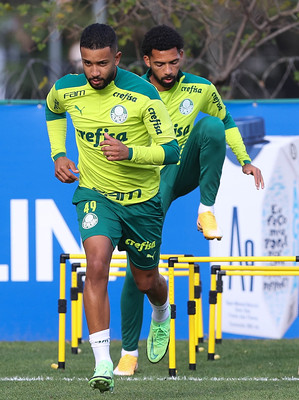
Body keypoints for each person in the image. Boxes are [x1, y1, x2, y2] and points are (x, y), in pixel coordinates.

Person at [114, 25, 264, 376]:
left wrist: (244, 160)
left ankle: (206, 210)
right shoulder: (128, 91)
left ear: (181, 57)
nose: (168, 71)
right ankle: (131, 348)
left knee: (210, 127)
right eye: (161, 64)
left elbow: (225, 121)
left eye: (174, 63)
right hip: (145, 183)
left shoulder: (200, 88)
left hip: (181, 171)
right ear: (147, 61)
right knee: (139, 269)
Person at [45, 23, 180, 393]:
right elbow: (53, 110)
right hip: (95, 195)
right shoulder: (67, 88)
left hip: (142, 202)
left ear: (116, 58)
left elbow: (171, 151)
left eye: (102, 64)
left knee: (146, 281)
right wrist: (59, 153)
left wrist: (130, 153)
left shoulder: (143, 94)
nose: (94, 72)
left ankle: (162, 310)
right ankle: (103, 361)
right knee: (96, 266)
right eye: (87, 64)